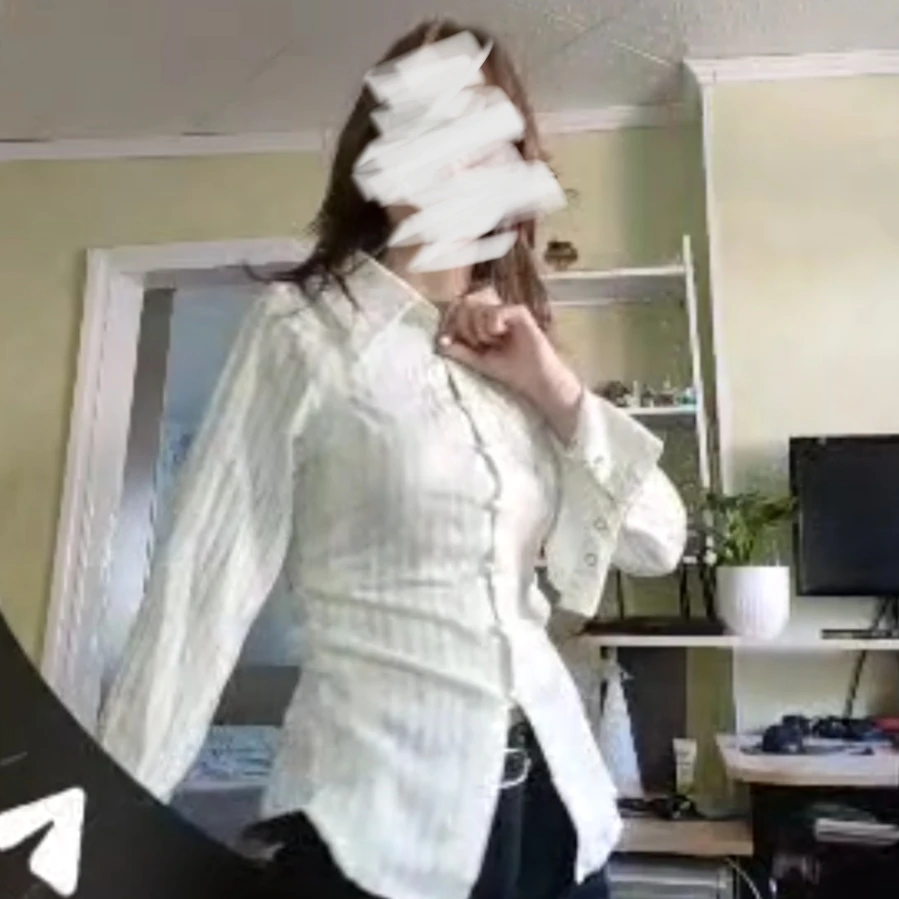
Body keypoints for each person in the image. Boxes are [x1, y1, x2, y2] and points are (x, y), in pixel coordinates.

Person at [97, 18, 687, 899]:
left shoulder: (521, 358)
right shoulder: (304, 330)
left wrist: (554, 388)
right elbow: (201, 586)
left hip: (557, 818)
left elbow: (657, 541)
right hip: (373, 824)